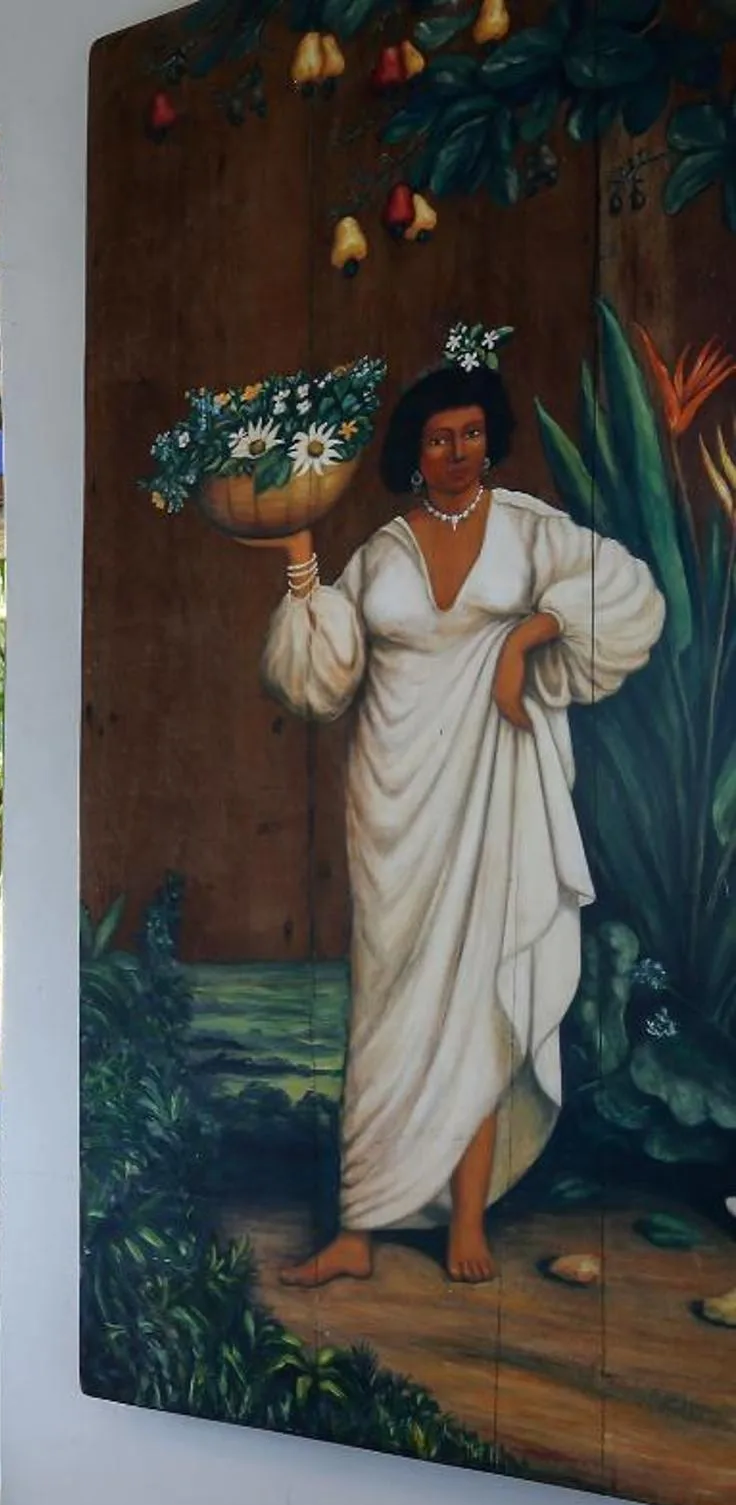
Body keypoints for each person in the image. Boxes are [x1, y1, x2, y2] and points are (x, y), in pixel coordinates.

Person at [239, 323, 663, 1285]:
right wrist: (303, 562)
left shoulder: (529, 528)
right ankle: (359, 1227)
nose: (457, 451)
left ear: (491, 436)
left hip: (496, 786)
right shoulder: (384, 552)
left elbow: (627, 592)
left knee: (479, 999)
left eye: (472, 433)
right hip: (393, 802)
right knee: (386, 1005)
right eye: (439, 437)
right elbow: (321, 675)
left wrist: (528, 637)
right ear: (413, 450)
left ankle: (466, 1217)